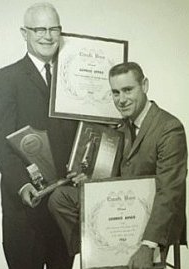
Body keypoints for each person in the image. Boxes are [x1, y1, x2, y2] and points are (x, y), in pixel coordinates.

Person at [48, 62, 187, 269]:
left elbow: (169, 191)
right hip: (120, 211)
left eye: (128, 90)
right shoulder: (120, 127)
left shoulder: (169, 128)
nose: (121, 100)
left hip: (152, 214)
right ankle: (97, 250)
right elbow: (115, 178)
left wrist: (148, 245)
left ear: (145, 85)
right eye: (115, 92)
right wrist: (92, 182)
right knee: (60, 198)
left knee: (137, 255)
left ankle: (114, 255)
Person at [0, 2, 78, 269]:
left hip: (63, 207)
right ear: (23, 32)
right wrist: (22, 185)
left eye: (54, 29)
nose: (48, 36)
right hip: (25, 208)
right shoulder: (6, 78)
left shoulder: (74, 79)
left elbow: (86, 134)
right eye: (39, 29)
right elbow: (0, 140)